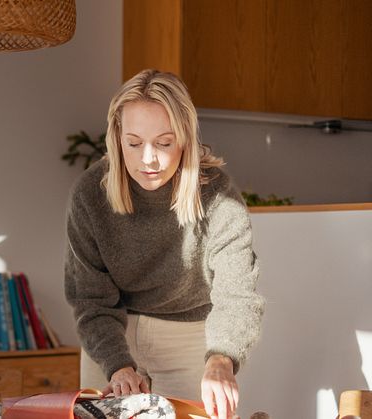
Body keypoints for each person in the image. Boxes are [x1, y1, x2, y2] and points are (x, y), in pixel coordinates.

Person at [64, 69, 265, 419]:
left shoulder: (218, 196)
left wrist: (221, 358)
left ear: (185, 138)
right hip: (114, 332)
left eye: (164, 142)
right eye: (134, 142)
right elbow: (90, 299)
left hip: (190, 336)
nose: (148, 159)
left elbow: (237, 294)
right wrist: (117, 365)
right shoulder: (89, 195)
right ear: (117, 138)